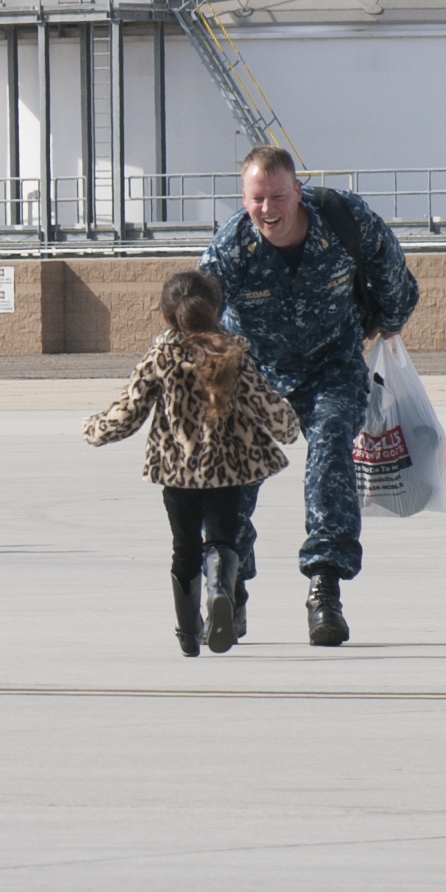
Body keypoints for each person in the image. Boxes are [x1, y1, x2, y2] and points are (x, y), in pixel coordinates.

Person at [198, 145, 420, 646]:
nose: (268, 209)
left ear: (297, 192)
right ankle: (231, 583)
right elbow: (198, 308)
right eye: (257, 199)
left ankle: (325, 589)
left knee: (329, 457)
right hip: (257, 374)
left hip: (332, 367)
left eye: (278, 196)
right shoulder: (231, 246)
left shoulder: (344, 219)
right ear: (244, 198)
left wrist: (388, 318)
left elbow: (393, 275)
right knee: (234, 474)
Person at [82, 270, 299, 657]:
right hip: (227, 472)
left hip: (176, 473)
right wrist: (288, 427)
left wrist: (94, 428)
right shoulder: (232, 354)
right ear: (216, 311)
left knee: (183, 550)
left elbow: (128, 411)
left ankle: (187, 632)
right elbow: (265, 403)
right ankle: (220, 592)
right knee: (221, 540)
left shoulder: (160, 357)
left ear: (166, 318)